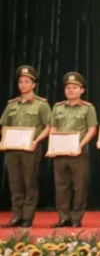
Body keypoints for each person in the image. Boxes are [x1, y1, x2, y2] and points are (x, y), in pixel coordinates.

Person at [0, 65, 51, 228]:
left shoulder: (41, 104)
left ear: (33, 84)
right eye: (20, 82)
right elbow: (4, 125)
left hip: (31, 149)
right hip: (13, 149)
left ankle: (27, 217)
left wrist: (36, 141)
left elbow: (48, 127)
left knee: (29, 183)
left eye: (27, 82)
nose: (23, 85)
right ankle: (16, 216)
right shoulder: (12, 105)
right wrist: (6, 139)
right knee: (15, 184)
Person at [48, 71, 98, 228]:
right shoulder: (57, 107)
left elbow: (92, 129)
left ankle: (76, 217)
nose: (70, 90)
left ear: (82, 90)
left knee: (79, 187)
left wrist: (80, 145)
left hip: (78, 153)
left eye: (74, 87)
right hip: (60, 153)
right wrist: (52, 146)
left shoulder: (88, 108)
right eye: (68, 87)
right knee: (61, 187)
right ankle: (64, 217)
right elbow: (53, 128)